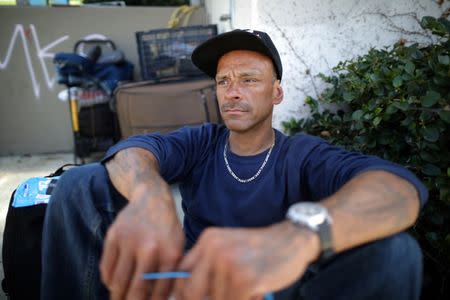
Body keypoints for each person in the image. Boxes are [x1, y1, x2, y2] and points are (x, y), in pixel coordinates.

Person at [41, 29, 428, 300]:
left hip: (277, 289)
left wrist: (298, 237)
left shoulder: (303, 154)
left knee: (395, 253)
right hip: (188, 286)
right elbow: (135, 150)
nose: (233, 92)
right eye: (223, 81)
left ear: (276, 93)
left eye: (248, 79)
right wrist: (149, 196)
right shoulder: (201, 142)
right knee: (79, 183)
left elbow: (397, 189)